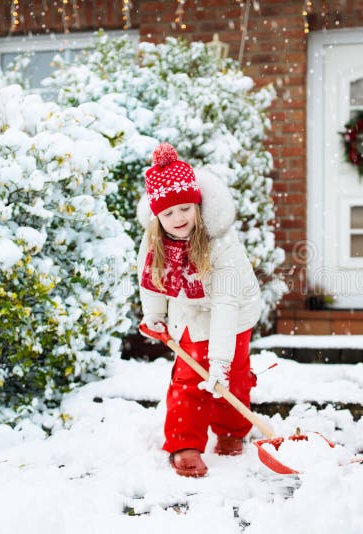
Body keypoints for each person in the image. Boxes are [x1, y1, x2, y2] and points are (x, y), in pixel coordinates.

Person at [136, 142, 263, 478]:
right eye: (167, 213)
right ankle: (184, 443)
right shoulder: (154, 243)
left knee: (230, 377)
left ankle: (232, 430)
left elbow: (225, 304)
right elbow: (151, 281)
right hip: (189, 313)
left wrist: (220, 361)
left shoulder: (222, 244)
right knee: (190, 377)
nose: (177, 219)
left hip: (233, 313)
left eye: (184, 209)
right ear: (157, 216)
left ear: (197, 204)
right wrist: (156, 317)